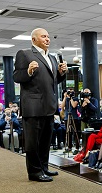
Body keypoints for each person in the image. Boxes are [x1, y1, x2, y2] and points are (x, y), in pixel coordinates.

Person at [13, 28, 67, 182]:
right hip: (33, 107)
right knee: (33, 143)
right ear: (34, 39)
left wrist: (62, 74)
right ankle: (34, 172)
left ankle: (44, 167)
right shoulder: (24, 54)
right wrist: (28, 71)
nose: (47, 39)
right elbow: (16, 76)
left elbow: (52, 82)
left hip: (49, 107)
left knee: (45, 141)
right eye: (44, 36)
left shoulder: (52, 57)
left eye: (48, 36)